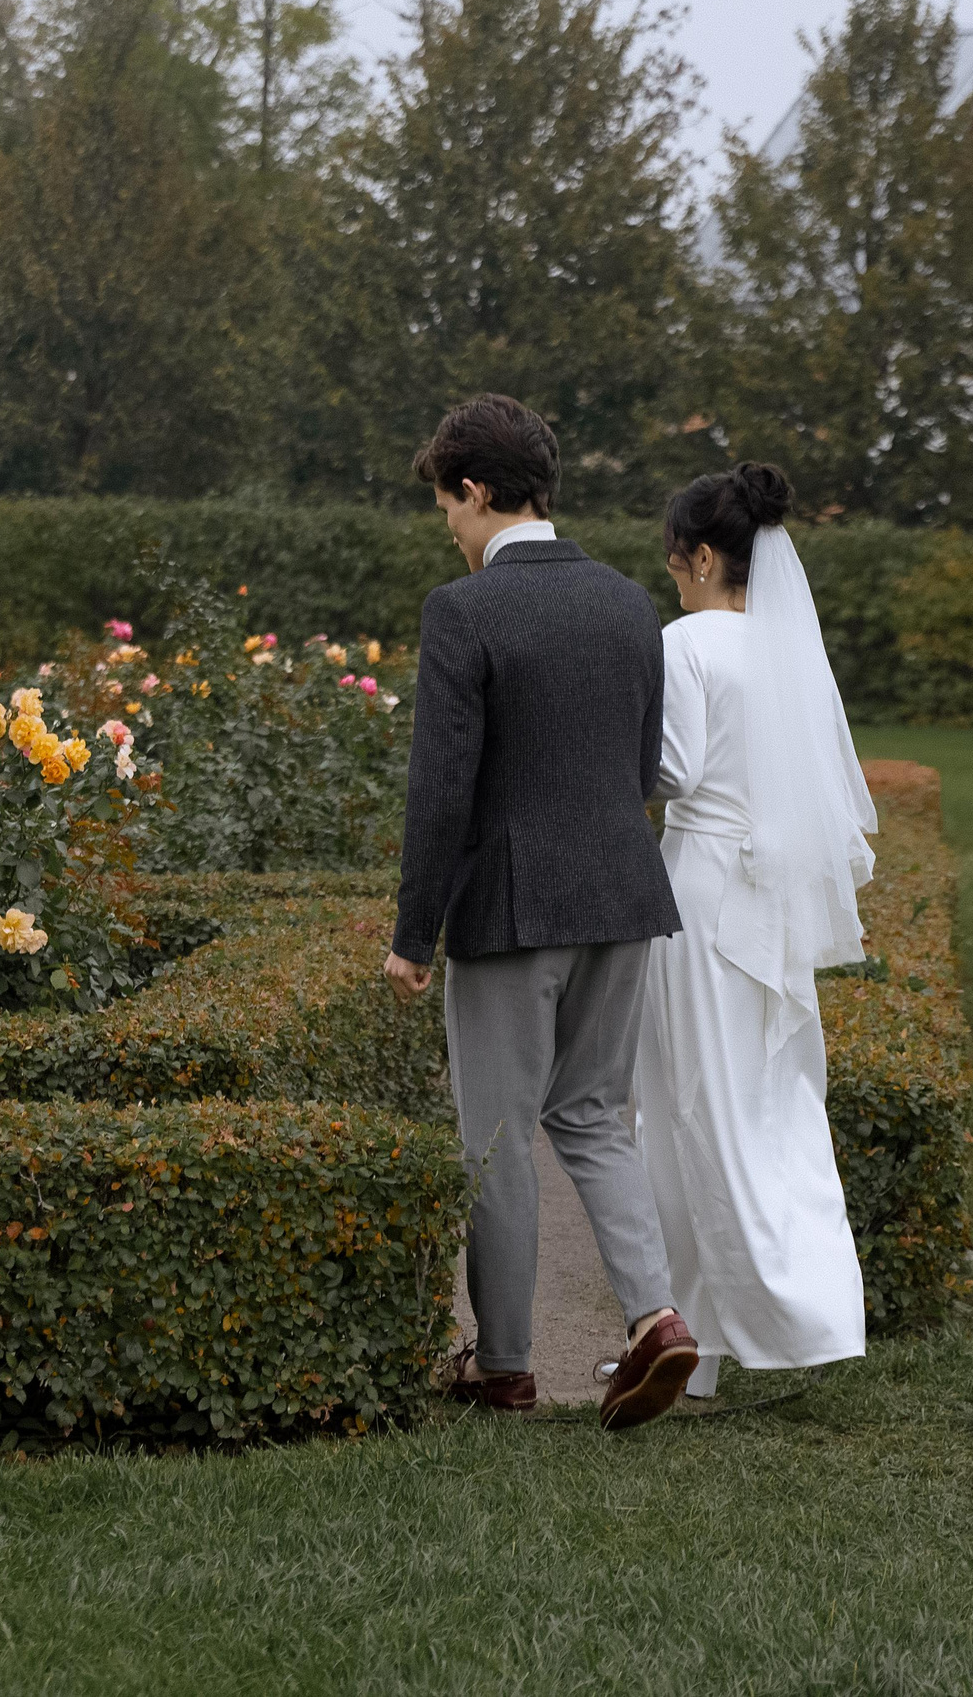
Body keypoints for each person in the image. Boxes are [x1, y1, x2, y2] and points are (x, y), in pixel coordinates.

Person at [384, 393, 703, 1433]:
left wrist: (412, 936)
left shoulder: (462, 610)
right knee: (593, 1115)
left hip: (511, 909)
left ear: (476, 490)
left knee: (496, 1138)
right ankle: (656, 1318)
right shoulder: (629, 603)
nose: (448, 526)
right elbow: (643, 767)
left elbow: (441, 790)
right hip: (624, 893)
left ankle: (505, 1367)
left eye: (448, 505)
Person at [634, 463, 874, 1401]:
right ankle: (747, 1330)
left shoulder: (686, 644)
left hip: (700, 889)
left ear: (701, 556)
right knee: (769, 1103)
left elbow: (674, 771)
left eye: (674, 562)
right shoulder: (790, 651)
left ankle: (739, 1324)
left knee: (687, 1107)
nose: (672, 580)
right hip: (767, 898)